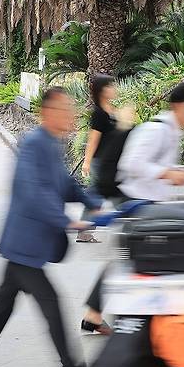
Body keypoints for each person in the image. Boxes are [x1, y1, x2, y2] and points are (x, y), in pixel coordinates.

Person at [0, 87, 101, 367]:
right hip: (25, 244)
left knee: (2, 307)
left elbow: (63, 182)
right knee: (51, 304)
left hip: (26, 246)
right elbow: (33, 191)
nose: (70, 114)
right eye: (64, 109)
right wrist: (67, 221)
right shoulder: (34, 143)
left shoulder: (52, 143)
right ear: (47, 113)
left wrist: (91, 201)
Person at [79, 82, 184, 335]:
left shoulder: (172, 130)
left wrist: (178, 174)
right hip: (135, 203)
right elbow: (132, 163)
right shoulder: (156, 129)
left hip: (148, 206)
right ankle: (143, 321)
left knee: (132, 261)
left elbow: (154, 167)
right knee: (141, 261)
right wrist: (168, 172)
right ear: (178, 107)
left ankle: (98, 315)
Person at [77, 74, 118, 243]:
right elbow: (93, 138)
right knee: (97, 194)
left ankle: (85, 230)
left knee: (105, 193)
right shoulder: (99, 113)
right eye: (110, 86)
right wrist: (86, 162)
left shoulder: (110, 111)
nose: (114, 89)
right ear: (102, 91)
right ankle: (84, 231)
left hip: (110, 162)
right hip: (100, 162)